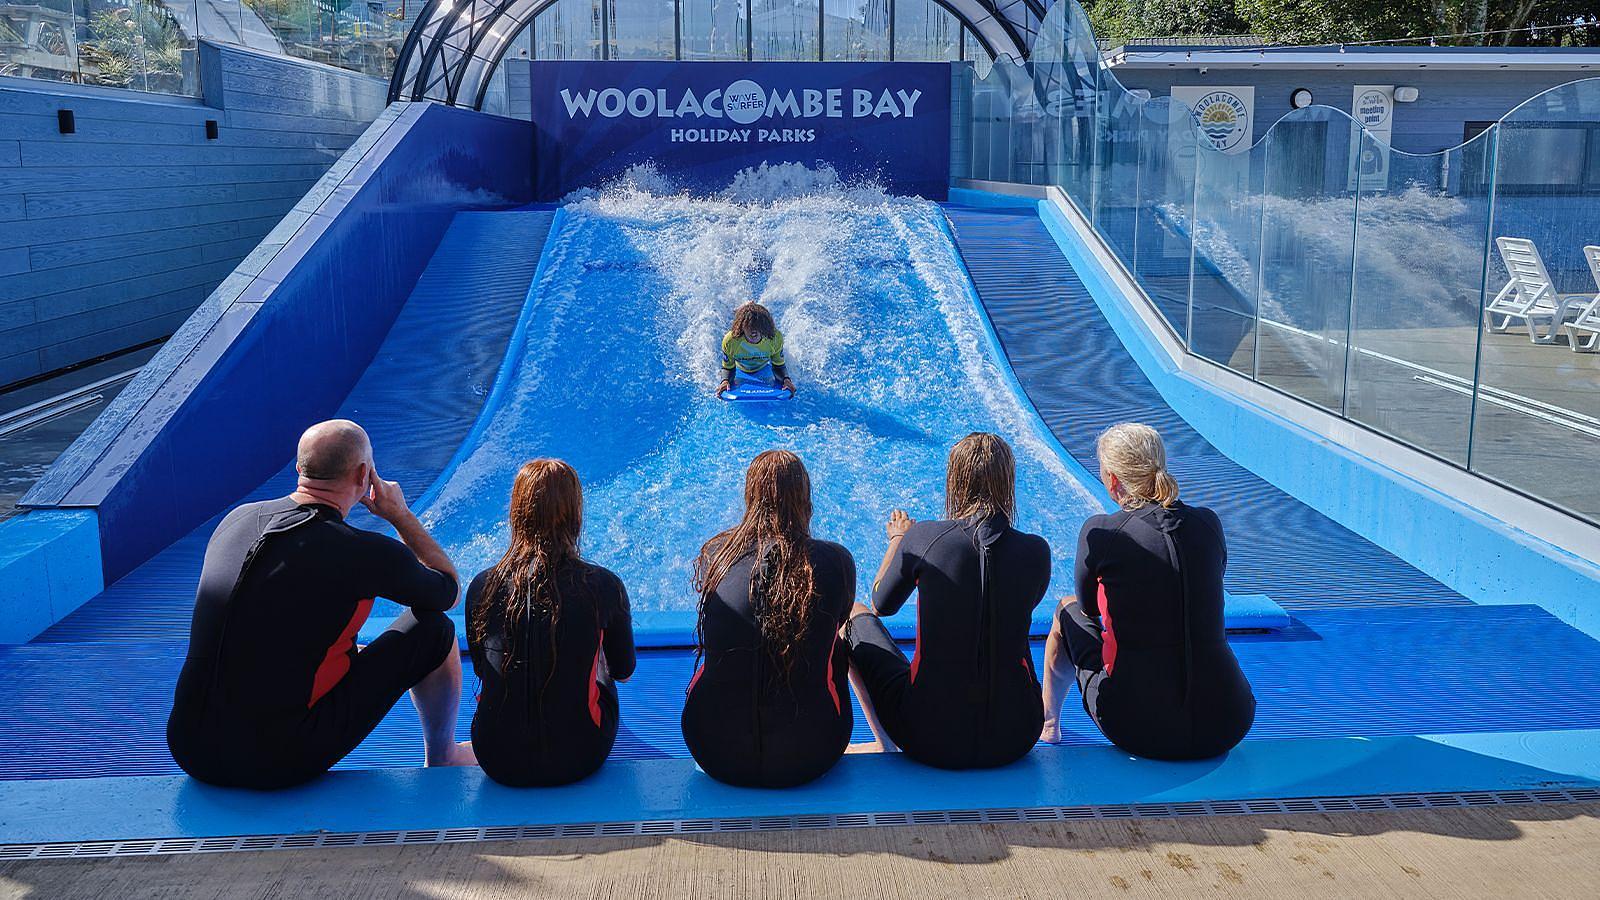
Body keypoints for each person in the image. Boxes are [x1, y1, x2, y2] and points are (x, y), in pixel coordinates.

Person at [168, 420, 472, 789]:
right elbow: (448, 590)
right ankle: (443, 755)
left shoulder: (237, 520)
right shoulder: (362, 552)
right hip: (275, 760)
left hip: (190, 747)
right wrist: (399, 515)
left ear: (299, 469)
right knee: (434, 628)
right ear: (364, 475)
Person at [1040, 423, 1255, 760]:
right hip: (1230, 719)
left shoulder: (1103, 532)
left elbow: (1088, 608)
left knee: (1066, 610)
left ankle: (1049, 723)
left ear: (1112, 480)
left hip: (1141, 727)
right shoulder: (1208, 523)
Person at [843, 433, 1051, 770]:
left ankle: (884, 742)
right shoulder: (1036, 550)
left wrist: (898, 540)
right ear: (1008, 481)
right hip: (1018, 733)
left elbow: (881, 603)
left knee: (854, 616)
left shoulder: (924, 537)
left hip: (928, 735)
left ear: (955, 481)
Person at [681, 450, 854, 787]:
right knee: (836, 641)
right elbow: (839, 624)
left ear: (750, 496)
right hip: (811, 754)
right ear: (804, 499)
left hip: (712, 749)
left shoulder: (717, 555)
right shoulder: (835, 561)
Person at [465, 459, 636, 787]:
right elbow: (624, 671)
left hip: (495, 756)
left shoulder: (482, 585)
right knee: (595, 653)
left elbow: (481, 669)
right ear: (574, 513)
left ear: (516, 513)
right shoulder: (601, 585)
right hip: (579, 756)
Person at [716, 302, 796, 397]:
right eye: (749, 326)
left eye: (757, 327)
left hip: (762, 367)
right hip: (741, 368)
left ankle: (748, 306)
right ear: (742, 327)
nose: (753, 331)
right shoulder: (731, 340)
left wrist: (786, 380)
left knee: (754, 314)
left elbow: (778, 365)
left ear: (763, 327)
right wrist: (725, 381)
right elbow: (728, 367)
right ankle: (741, 309)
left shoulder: (774, 338)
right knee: (738, 316)